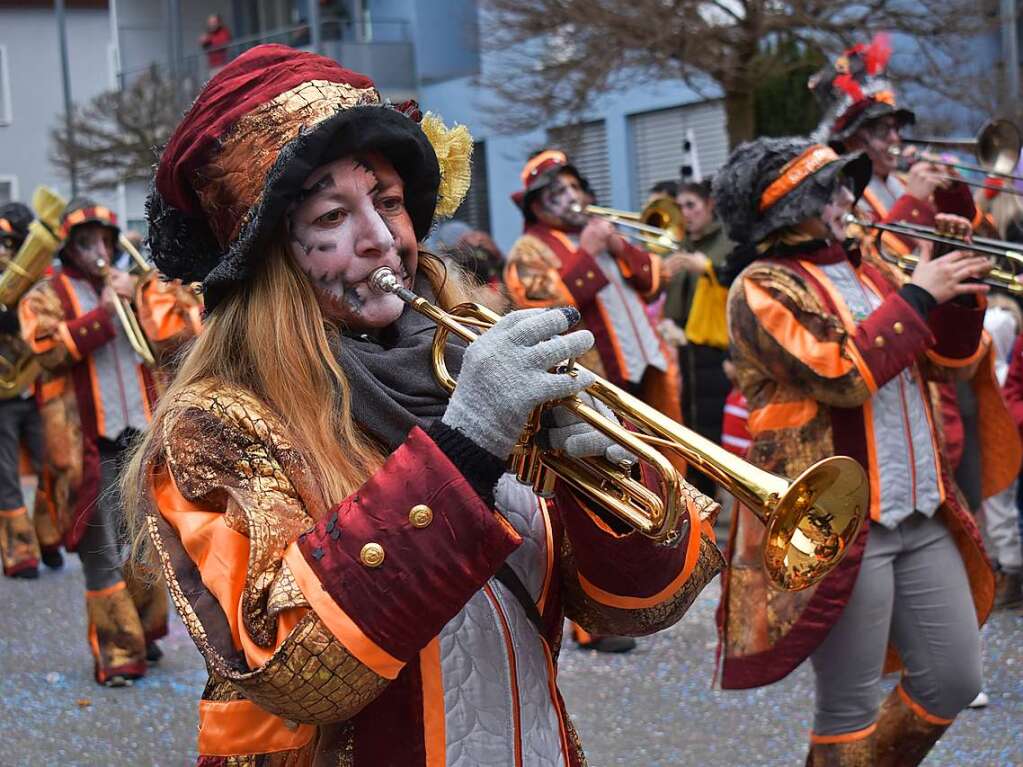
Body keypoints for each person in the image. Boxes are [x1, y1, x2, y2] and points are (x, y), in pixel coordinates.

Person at [123, 45, 724, 764]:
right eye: (333, 216)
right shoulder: (212, 424)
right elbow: (296, 669)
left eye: (387, 202)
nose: (381, 239)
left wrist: (605, 485)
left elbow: (638, 603)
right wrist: (465, 445)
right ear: (272, 259)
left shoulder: (470, 356)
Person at [714, 136, 995, 766]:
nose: (851, 198)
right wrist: (920, 293)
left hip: (920, 505)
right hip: (837, 521)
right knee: (850, 705)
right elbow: (839, 373)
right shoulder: (760, 286)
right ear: (796, 210)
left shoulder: (872, 264)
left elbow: (950, 362)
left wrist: (956, 273)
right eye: (835, 189)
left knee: (954, 679)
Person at [18, 199, 198, 686]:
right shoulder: (47, 294)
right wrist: (102, 315)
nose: (97, 252)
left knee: (145, 541)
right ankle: (117, 653)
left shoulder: (135, 287)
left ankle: (143, 629)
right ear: (69, 247)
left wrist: (140, 299)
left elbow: (176, 337)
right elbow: (48, 350)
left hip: (139, 436)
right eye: (84, 243)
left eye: (103, 241)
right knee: (97, 548)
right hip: (83, 445)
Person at [810, 35, 982, 231]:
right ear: (851, 140)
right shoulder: (840, 195)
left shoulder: (901, 182)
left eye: (896, 128)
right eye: (882, 130)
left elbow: (967, 229)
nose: (895, 138)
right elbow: (870, 255)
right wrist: (912, 202)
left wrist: (951, 190)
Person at [660, 179, 735, 498]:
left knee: (716, 425)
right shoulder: (680, 243)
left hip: (716, 350)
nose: (685, 214)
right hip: (684, 351)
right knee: (691, 426)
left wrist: (705, 267)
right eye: (680, 207)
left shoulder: (726, 241)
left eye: (691, 205)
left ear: (709, 206)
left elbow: (733, 281)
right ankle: (701, 495)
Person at [0, 202, 59, 577]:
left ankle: (48, 534)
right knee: (5, 475)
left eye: (9, 243)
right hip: (2, 397)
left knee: (51, 466)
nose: (4, 250)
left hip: (36, 386)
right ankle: (19, 553)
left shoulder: (39, 278)